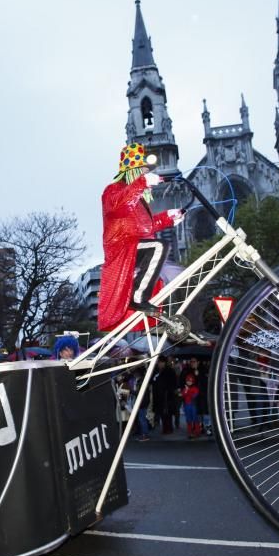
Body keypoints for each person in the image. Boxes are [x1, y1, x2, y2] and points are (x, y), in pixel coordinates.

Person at [97, 142, 183, 330]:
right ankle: (137, 297)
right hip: (122, 249)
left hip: (136, 247)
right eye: (141, 171)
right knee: (159, 247)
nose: (144, 174)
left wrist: (169, 217)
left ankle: (141, 298)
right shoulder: (113, 190)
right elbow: (119, 207)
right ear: (131, 171)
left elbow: (146, 227)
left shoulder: (138, 198)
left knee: (160, 250)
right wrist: (141, 184)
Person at [180, 373, 200, 439]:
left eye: (190, 381)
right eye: (188, 381)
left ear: (193, 381)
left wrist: (187, 392)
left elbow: (194, 396)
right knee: (188, 419)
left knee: (195, 419)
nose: (189, 382)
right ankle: (190, 432)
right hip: (187, 405)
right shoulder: (185, 388)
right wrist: (186, 391)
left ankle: (197, 432)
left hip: (193, 405)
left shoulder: (195, 388)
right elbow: (183, 395)